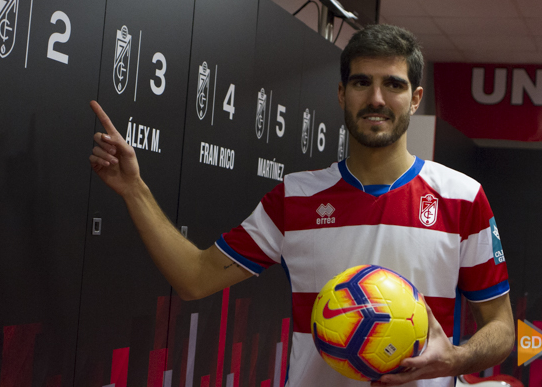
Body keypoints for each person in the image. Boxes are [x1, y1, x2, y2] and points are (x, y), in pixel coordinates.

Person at [89, 24, 515, 387]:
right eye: (362, 82)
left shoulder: (462, 196)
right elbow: (194, 279)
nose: (377, 99)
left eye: (394, 84)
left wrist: (455, 360)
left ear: (416, 98)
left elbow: (501, 327)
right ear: (341, 94)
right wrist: (135, 190)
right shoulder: (295, 197)